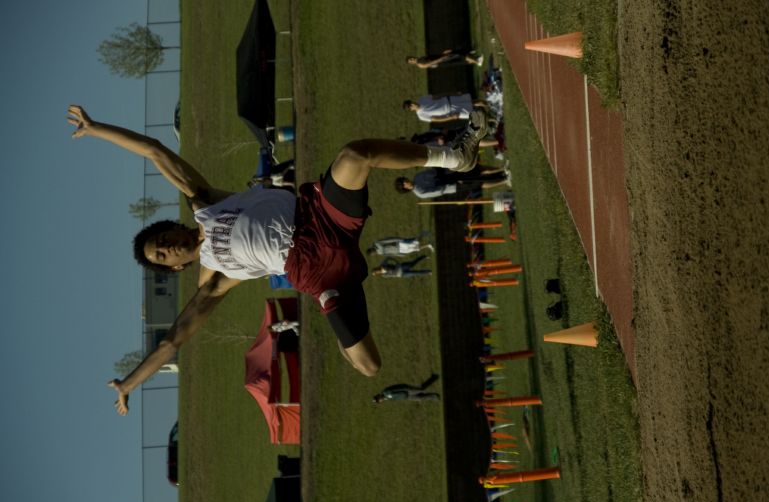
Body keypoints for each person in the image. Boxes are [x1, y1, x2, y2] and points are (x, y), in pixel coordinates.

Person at [67, 105, 488, 416]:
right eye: (162, 256)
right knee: (368, 365)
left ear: (170, 228)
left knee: (355, 156)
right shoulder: (213, 282)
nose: (169, 247)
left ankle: (455, 156)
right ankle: (335, 305)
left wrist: (96, 128)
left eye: (162, 239)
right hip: (318, 272)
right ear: (174, 267)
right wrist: (130, 384)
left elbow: (156, 151)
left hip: (319, 217)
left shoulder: (205, 204)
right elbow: (171, 342)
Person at [394, 165, 510, 199]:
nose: (406, 181)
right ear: (405, 188)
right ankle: (504, 181)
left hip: (449, 175)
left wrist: (447, 172)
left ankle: (502, 169)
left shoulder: (417, 176)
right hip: (451, 186)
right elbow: (438, 191)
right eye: (404, 183)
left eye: (404, 179)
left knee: (476, 169)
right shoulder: (419, 192)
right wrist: (448, 182)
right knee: (478, 184)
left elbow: (433, 171)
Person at [403, 94, 486, 124]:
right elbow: (437, 119)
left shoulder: (422, 99)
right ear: (411, 109)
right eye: (411, 106)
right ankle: (489, 116)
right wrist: (451, 117)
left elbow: (438, 96)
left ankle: (488, 104)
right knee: (473, 112)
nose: (413, 104)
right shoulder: (421, 115)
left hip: (449, 100)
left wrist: (451, 93)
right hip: (451, 111)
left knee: (472, 101)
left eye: (411, 103)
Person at [372, 374, 440, 403]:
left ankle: (433, 377)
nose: (380, 400)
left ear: (378, 396)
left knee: (421, 389)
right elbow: (397, 397)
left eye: (378, 399)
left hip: (407, 391)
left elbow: (397, 388)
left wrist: (406, 388)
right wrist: (404, 397)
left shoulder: (386, 392)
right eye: (378, 401)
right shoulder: (386, 398)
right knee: (420, 398)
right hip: (406, 397)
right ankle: (434, 397)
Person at [406, 49, 483, 69]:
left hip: (441, 58)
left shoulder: (420, 58)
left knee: (459, 58)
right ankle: (477, 61)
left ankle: (476, 59)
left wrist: (442, 54)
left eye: (411, 58)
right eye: (411, 60)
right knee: (459, 56)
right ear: (412, 63)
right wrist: (442, 58)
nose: (413, 59)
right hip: (441, 62)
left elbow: (433, 57)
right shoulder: (420, 64)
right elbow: (431, 63)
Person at [366, 235, 434, 257]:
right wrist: (399, 255)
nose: (373, 254)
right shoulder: (379, 253)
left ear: (371, 249)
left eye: (372, 253)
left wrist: (397, 239)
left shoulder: (377, 243)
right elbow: (390, 254)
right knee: (416, 249)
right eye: (373, 254)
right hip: (400, 250)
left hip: (399, 244)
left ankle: (423, 234)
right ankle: (428, 245)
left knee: (414, 242)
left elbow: (388, 240)